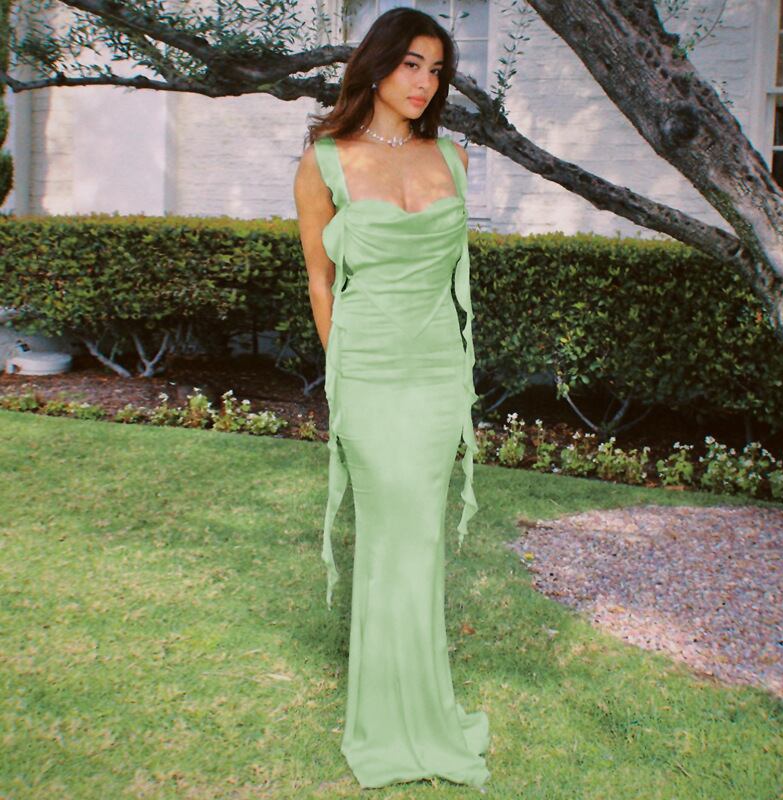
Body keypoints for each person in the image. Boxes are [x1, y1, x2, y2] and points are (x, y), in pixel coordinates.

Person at [293, 6, 490, 791]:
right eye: (412, 64)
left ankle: (425, 707)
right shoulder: (325, 162)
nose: (425, 83)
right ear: (376, 65)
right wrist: (342, 369)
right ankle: (384, 717)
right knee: (388, 536)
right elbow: (320, 280)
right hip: (369, 373)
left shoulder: (454, 157)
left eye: (436, 71)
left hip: (437, 374)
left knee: (421, 539)